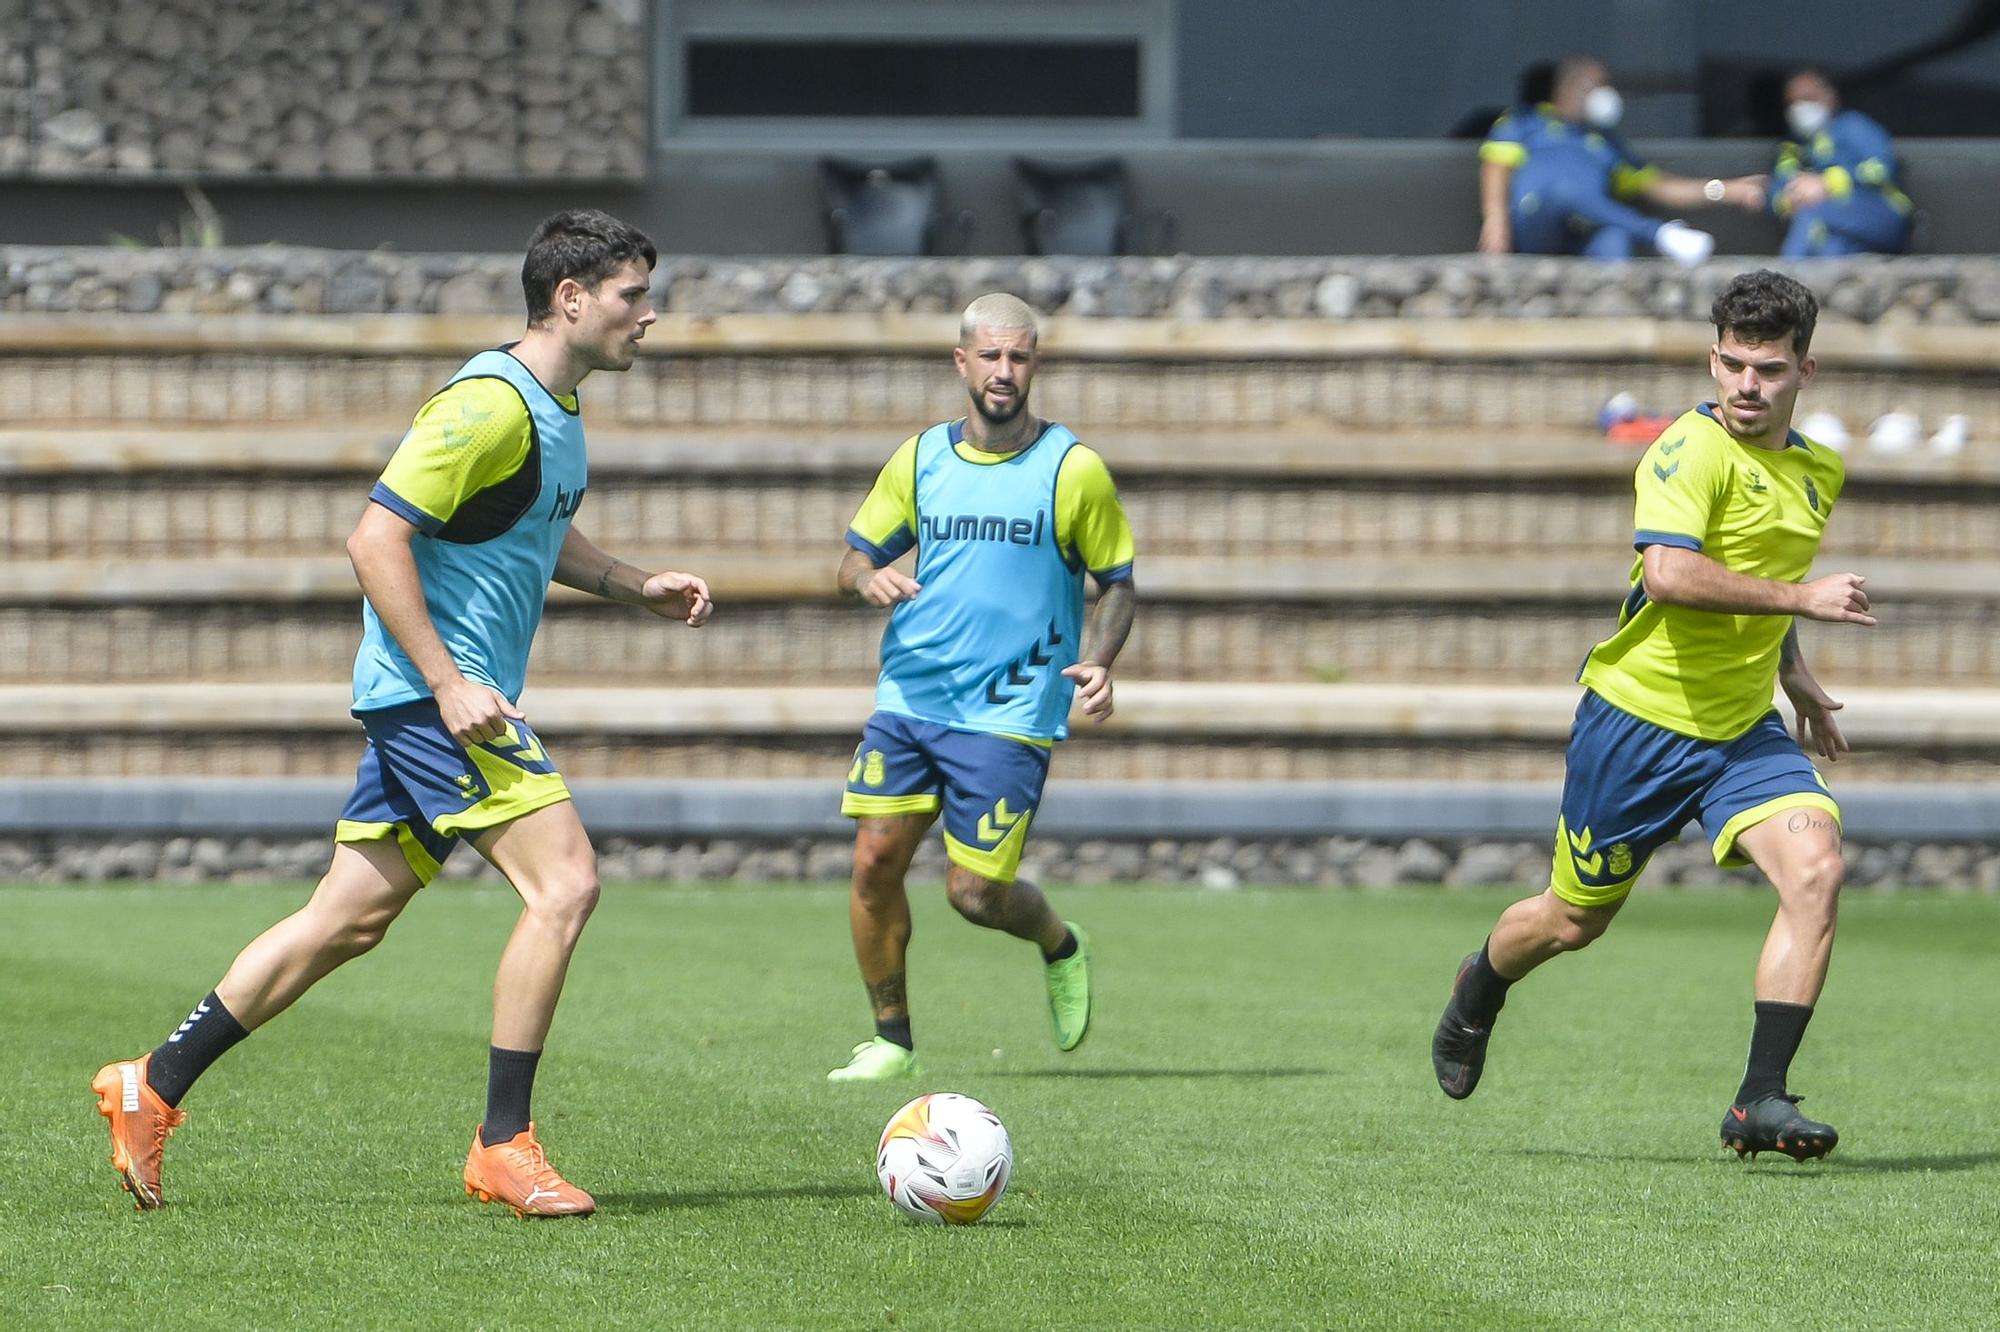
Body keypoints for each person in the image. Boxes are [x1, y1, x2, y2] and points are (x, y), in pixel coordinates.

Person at [91, 210, 716, 1217]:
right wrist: (446, 681)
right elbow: (374, 539)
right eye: (633, 295)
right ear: (571, 298)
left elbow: (534, 530)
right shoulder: (486, 406)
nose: (651, 315)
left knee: (347, 920)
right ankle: (503, 1144)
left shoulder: (555, 411)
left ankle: (149, 1086)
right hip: (442, 707)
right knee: (565, 884)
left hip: (429, 705)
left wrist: (630, 584)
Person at [1430, 269, 1873, 1162]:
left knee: (1817, 868)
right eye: (1734, 365)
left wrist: (1796, 677)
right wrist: (1806, 599)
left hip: (1743, 729)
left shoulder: (1818, 469)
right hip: (1639, 724)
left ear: (1805, 373)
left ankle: (1760, 1100)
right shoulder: (1686, 450)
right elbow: (1671, 576)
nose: (1748, 386)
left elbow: (1756, 584)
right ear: (1712, 359)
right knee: (1569, 922)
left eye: (1770, 370)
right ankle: (1479, 985)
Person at [827, 293, 1137, 1081]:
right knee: (872, 865)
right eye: (991, 356)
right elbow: (851, 561)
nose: (1005, 371)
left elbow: (1119, 583)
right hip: (910, 699)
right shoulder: (921, 458)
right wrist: (868, 580)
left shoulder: (1072, 470)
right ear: (961, 362)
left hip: (1009, 711)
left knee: (975, 895)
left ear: (1035, 363)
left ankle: (1060, 943)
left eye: (1020, 356)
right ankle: (891, 1039)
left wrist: (1100, 661)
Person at [1480, 54, 1767, 265]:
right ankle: (1658, 234)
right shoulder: (1524, 123)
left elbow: (1661, 186)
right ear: (1571, 87)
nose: (1607, 93)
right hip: (1535, 223)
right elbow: (1496, 167)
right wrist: (1495, 218)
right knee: (1565, 189)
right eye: (1599, 85)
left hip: (1581, 232)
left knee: (1615, 238)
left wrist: (1727, 190)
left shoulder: (1604, 143)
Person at [1772, 68, 1914, 257]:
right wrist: (1789, 199)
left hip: (1883, 214)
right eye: (1792, 102)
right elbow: (1777, 187)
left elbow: (1882, 168)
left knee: (1812, 213)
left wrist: (1827, 183)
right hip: (1840, 227)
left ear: (1830, 97)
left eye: (1808, 98)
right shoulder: (1792, 145)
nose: (1800, 107)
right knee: (1832, 246)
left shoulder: (1854, 127)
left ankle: (1782, 279)